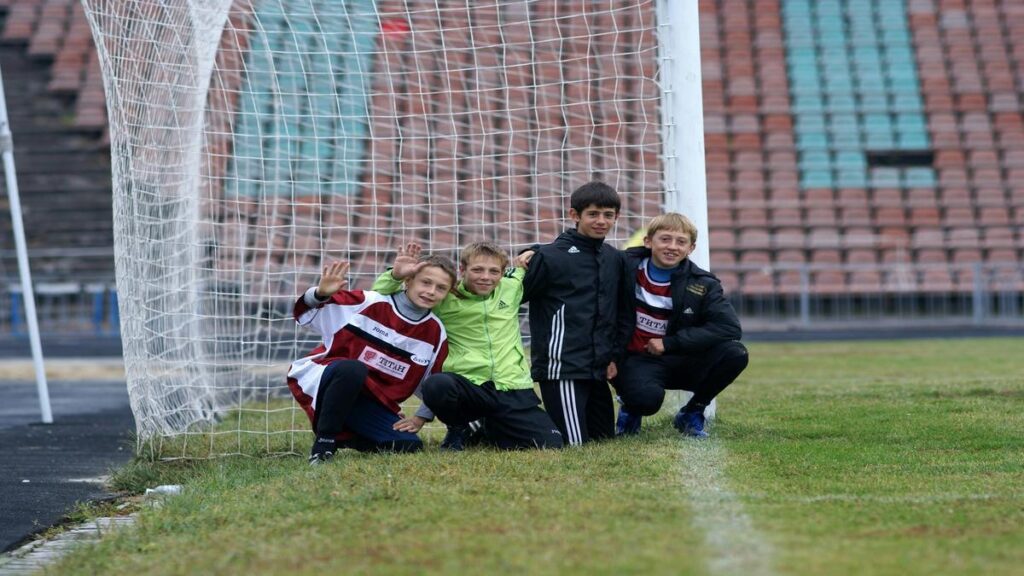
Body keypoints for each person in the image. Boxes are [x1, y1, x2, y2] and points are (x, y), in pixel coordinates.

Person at [372, 242, 563, 450]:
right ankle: (458, 427)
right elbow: (379, 298)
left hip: (511, 386)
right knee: (437, 385)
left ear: (503, 273)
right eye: (477, 270)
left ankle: (487, 426)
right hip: (469, 385)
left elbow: (550, 254)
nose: (485, 277)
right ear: (462, 270)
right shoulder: (445, 297)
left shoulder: (512, 286)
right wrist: (395, 276)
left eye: (493, 271)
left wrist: (534, 250)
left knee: (550, 444)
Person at [286, 256, 453, 464]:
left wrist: (421, 417)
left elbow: (433, 381)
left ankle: (343, 435)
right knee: (353, 369)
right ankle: (324, 444)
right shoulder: (369, 301)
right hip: (328, 381)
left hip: (370, 401)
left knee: (407, 445)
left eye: (440, 288)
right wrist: (319, 295)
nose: (431, 291)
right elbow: (304, 315)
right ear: (408, 281)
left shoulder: (436, 332)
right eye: (426, 282)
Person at [614, 213, 748, 438]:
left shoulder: (703, 283)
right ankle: (631, 408)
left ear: (691, 248)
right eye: (665, 239)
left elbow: (729, 328)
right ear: (648, 241)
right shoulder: (623, 266)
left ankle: (693, 411)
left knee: (736, 353)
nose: (672, 247)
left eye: (680, 242)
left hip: (680, 357)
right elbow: (584, 258)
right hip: (637, 359)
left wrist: (671, 343)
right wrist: (535, 251)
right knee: (645, 400)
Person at [520, 181, 625, 445]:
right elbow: (514, 296)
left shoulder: (614, 258)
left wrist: (612, 356)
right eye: (593, 214)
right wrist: (531, 252)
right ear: (574, 215)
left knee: (604, 441)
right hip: (562, 368)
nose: (601, 221)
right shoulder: (550, 256)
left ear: (616, 217)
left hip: (596, 368)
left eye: (608, 215)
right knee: (574, 444)